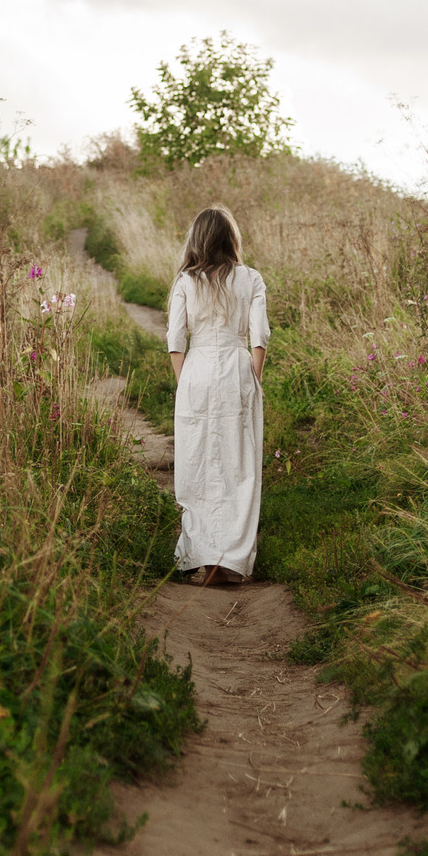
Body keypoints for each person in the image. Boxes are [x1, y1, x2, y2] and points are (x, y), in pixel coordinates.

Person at [166, 205, 269, 586]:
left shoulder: (185, 281)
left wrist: (185, 381)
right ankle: (229, 558)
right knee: (238, 464)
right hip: (237, 368)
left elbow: (176, 340)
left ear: (197, 239)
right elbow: (259, 336)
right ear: (231, 238)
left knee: (196, 463)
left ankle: (201, 554)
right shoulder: (251, 279)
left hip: (196, 370)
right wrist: (253, 379)